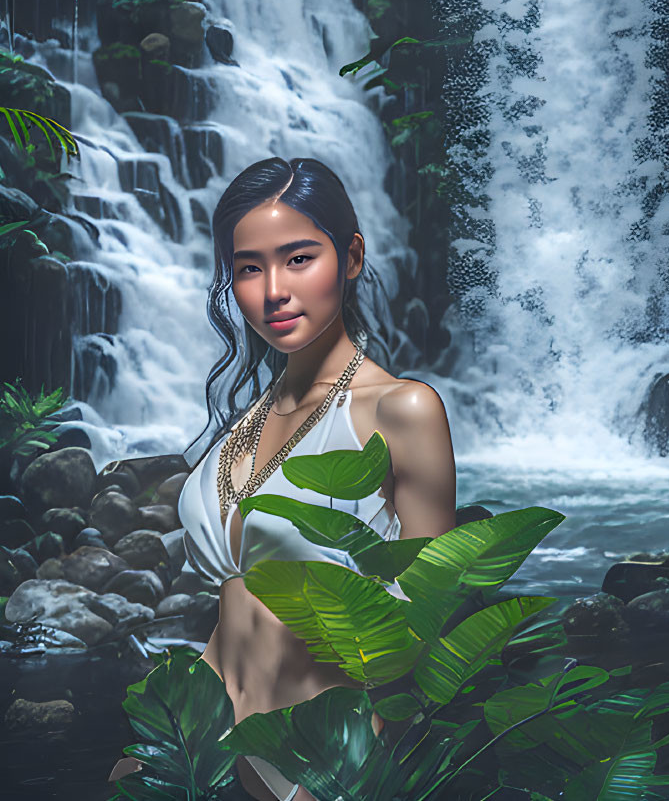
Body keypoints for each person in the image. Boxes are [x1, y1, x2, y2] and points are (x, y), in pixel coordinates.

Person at [108, 156, 457, 801]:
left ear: (350, 256)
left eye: (299, 258)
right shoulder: (249, 419)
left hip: (310, 762)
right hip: (194, 740)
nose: (273, 290)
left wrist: (358, 773)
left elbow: (423, 627)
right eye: (248, 268)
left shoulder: (400, 412)